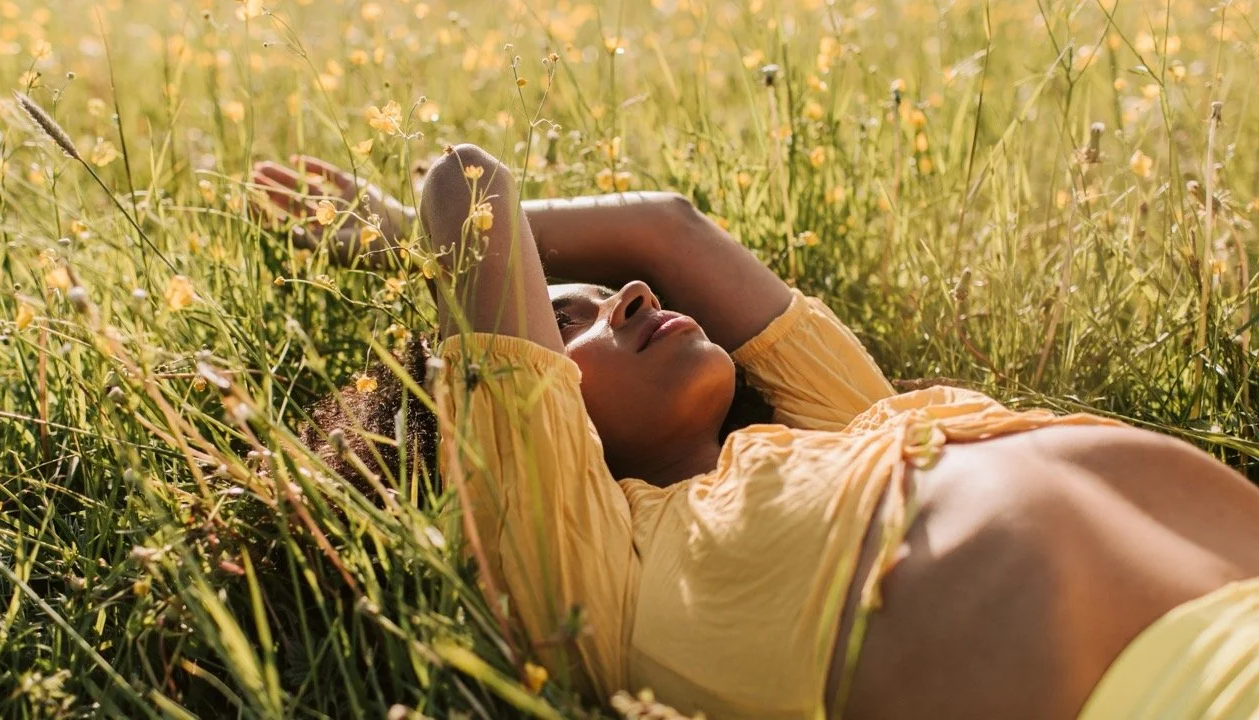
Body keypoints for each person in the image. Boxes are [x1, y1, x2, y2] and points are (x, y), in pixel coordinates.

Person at [252, 144, 1259, 720]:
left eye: (607, 296)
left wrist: (414, 234)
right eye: (566, 320)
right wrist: (409, 242)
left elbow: (665, 226)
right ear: (489, 437)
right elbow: (470, 187)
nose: (632, 294)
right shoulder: (588, 568)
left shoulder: (836, 426)